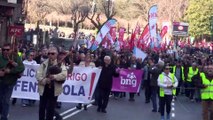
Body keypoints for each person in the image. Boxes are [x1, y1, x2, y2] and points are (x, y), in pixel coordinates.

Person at [36, 46, 67, 120]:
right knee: (42, 108)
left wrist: (54, 77)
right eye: (49, 53)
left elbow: (64, 74)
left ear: (56, 54)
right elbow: (38, 75)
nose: (50, 55)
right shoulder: (44, 64)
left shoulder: (60, 64)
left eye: (52, 53)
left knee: (50, 109)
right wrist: (44, 80)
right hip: (44, 88)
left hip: (54, 89)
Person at [0, 43, 25, 120]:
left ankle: (4, 117)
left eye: (7, 50)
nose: (5, 51)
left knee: (6, 101)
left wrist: (10, 71)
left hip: (10, 83)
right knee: (1, 100)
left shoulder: (16, 57)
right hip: (1, 82)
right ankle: (3, 113)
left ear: (10, 50)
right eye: (3, 49)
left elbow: (21, 68)